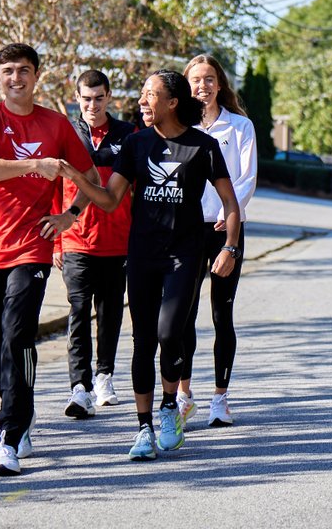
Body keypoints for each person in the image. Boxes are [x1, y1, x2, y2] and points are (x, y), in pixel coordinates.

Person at [60, 70, 241, 462]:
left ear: (172, 102)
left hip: (185, 254)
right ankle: (143, 428)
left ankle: (167, 406)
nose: (143, 101)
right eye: (142, 94)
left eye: (150, 94)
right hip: (141, 252)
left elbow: (230, 204)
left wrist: (229, 246)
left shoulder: (203, 146)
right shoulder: (136, 144)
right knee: (143, 340)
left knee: (169, 331)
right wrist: (75, 176)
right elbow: (109, 200)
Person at [0, 44, 97, 476]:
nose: (15, 77)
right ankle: (21, 403)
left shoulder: (56, 123)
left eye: (24, 70)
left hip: (31, 248)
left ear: (36, 75)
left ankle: (9, 436)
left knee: (16, 335)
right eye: (7, 71)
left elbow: (89, 177)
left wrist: (69, 216)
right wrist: (33, 164)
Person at [176, 54, 257, 428]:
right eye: (195, 80)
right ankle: (183, 394)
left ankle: (220, 398)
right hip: (188, 230)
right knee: (182, 315)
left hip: (226, 229)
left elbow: (247, 178)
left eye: (209, 79)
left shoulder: (240, 126)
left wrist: (230, 212)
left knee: (221, 314)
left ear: (220, 83)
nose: (202, 87)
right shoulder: (178, 127)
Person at [55, 70, 135, 419]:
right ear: (77, 96)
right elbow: (53, 189)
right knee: (77, 312)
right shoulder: (66, 133)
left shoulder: (128, 135)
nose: (92, 105)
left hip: (118, 241)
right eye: (86, 98)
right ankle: (80, 387)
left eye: (98, 98)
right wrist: (57, 240)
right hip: (76, 240)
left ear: (109, 97)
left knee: (110, 314)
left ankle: (104, 376)